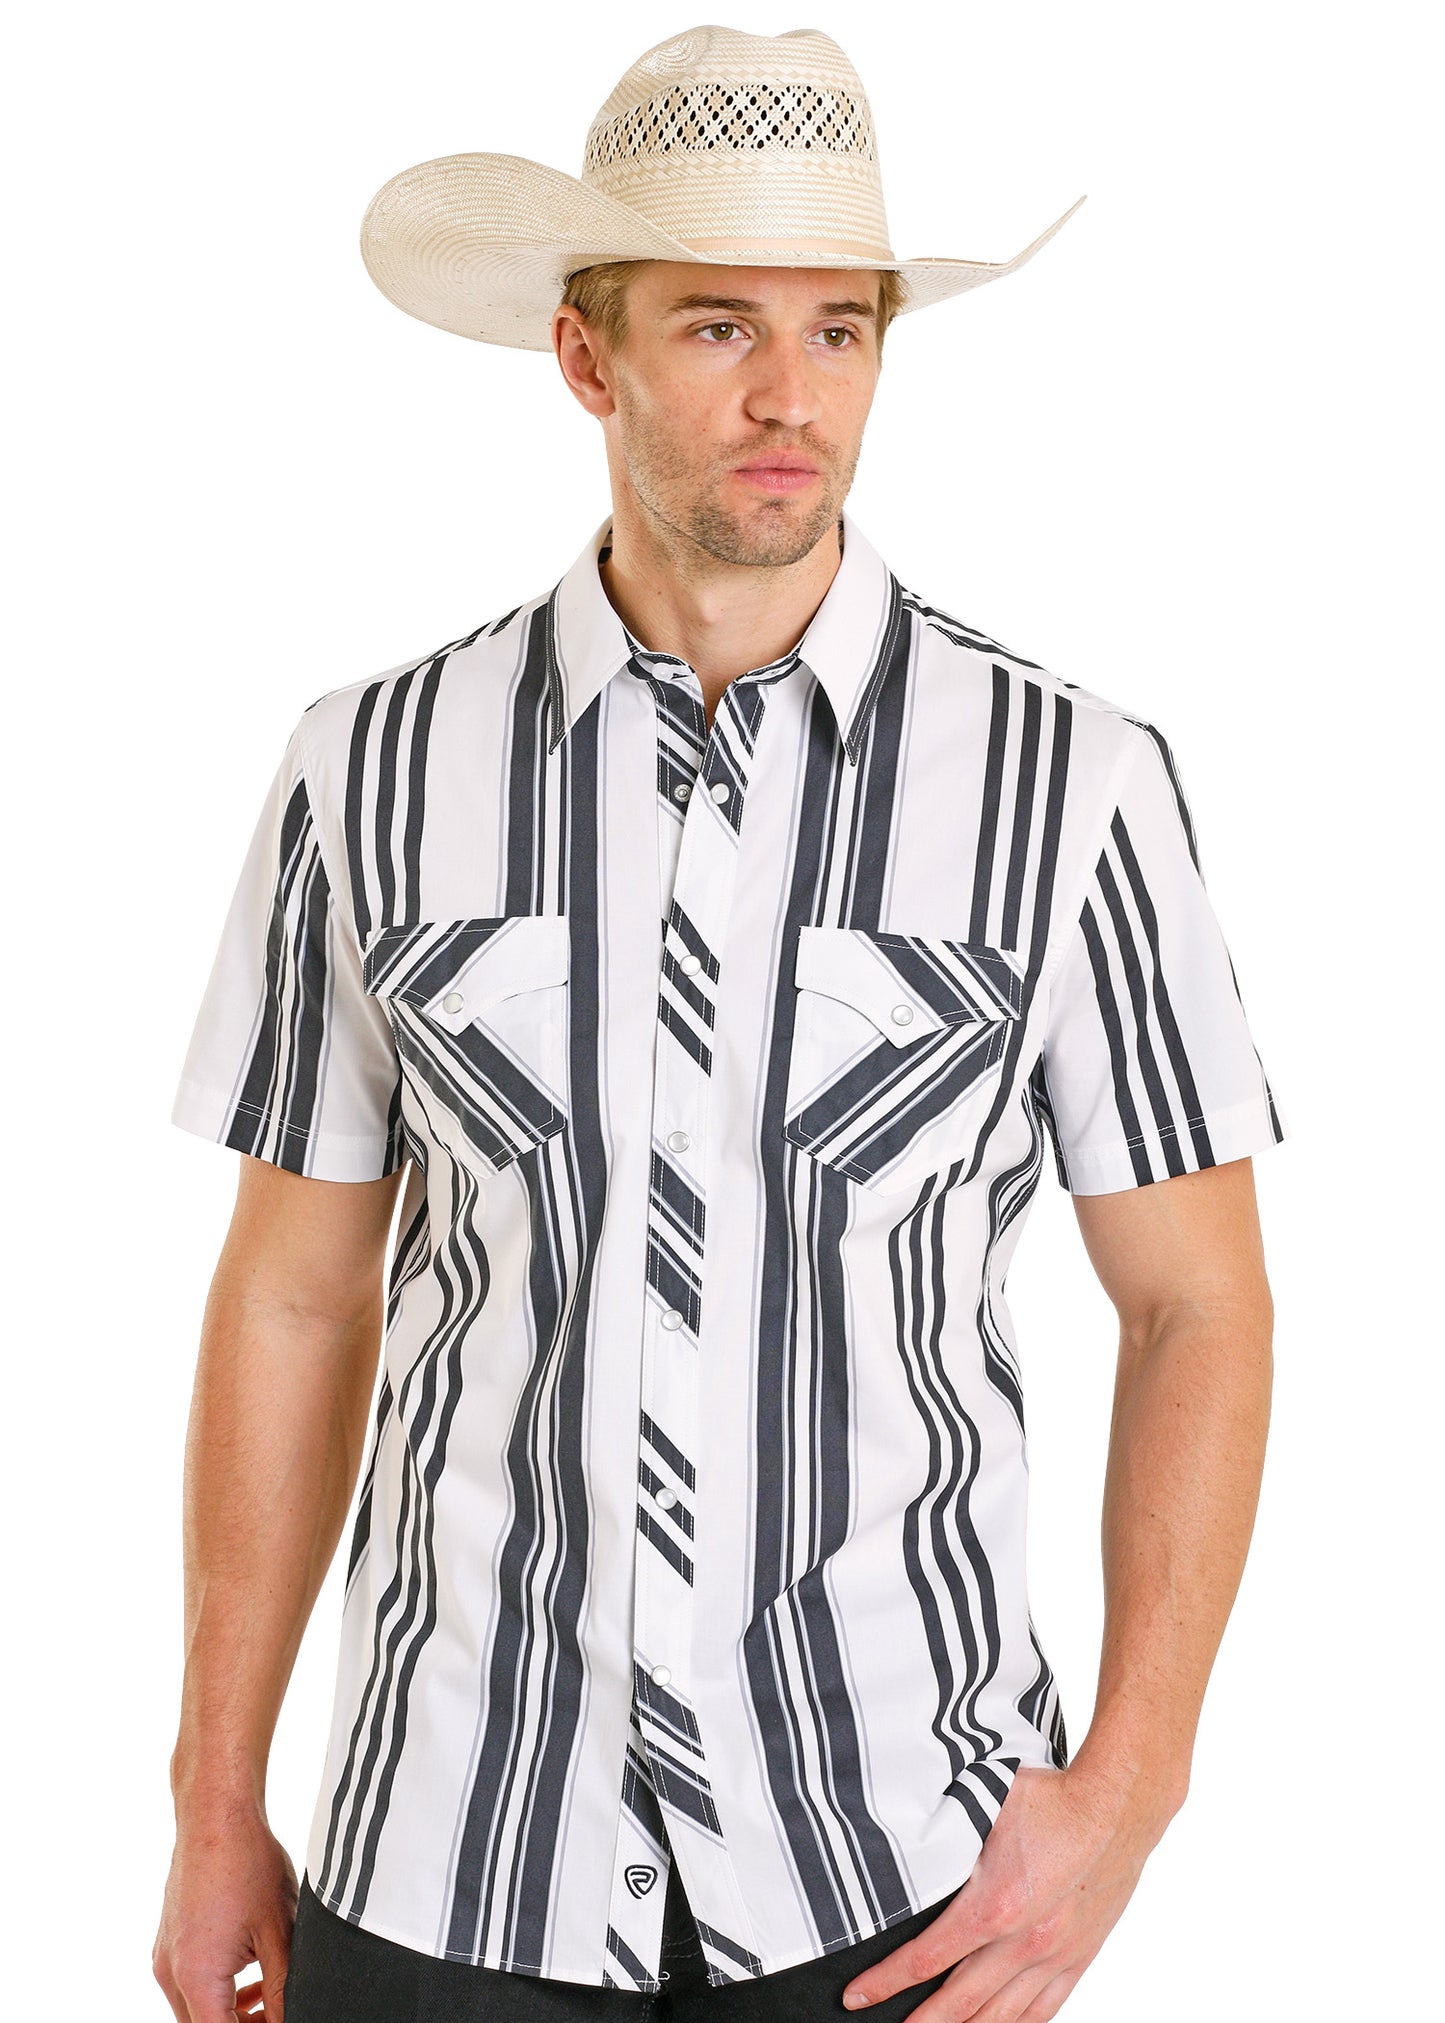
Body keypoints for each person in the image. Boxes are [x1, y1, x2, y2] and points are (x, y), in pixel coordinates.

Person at [153, 24, 1288, 2023]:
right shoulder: (371, 769)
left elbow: (1200, 1300)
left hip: (893, 1863)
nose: (790, 399)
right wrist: (215, 1790)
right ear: (585, 357)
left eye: (840, 331)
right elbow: (295, 1296)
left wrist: (1131, 1786)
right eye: (714, 329)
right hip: (449, 1847)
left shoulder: (1071, 785)